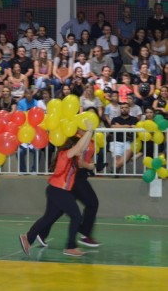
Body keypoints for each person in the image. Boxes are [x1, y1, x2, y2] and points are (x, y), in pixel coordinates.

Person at [19, 120, 94, 257]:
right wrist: (88, 131)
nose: (82, 149)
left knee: (48, 218)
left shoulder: (72, 157)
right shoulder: (66, 154)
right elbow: (79, 148)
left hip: (55, 190)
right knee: (76, 216)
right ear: (72, 145)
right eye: (77, 145)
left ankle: (28, 238)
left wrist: (90, 133)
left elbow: (82, 147)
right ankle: (70, 247)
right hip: (59, 191)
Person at [110, 102, 138, 172]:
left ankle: (115, 168)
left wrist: (119, 126)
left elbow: (136, 128)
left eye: (126, 107)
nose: (124, 109)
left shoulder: (134, 119)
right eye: (122, 108)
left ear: (129, 109)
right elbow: (113, 127)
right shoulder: (115, 119)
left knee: (128, 152)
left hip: (129, 142)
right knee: (117, 157)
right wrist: (128, 126)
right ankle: (116, 168)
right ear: (120, 109)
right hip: (117, 142)